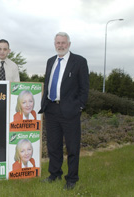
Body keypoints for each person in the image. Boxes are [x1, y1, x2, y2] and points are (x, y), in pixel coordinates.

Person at [38, 32, 89, 190]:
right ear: (55, 44)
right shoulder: (50, 61)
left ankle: (72, 178)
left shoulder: (79, 61)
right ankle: (55, 173)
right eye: (57, 43)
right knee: (53, 145)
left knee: (72, 147)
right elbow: (47, 83)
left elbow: (84, 87)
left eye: (63, 43)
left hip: (70, 111)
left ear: (69, 44)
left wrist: (79, 106)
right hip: (51, 109)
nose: (60, 45)